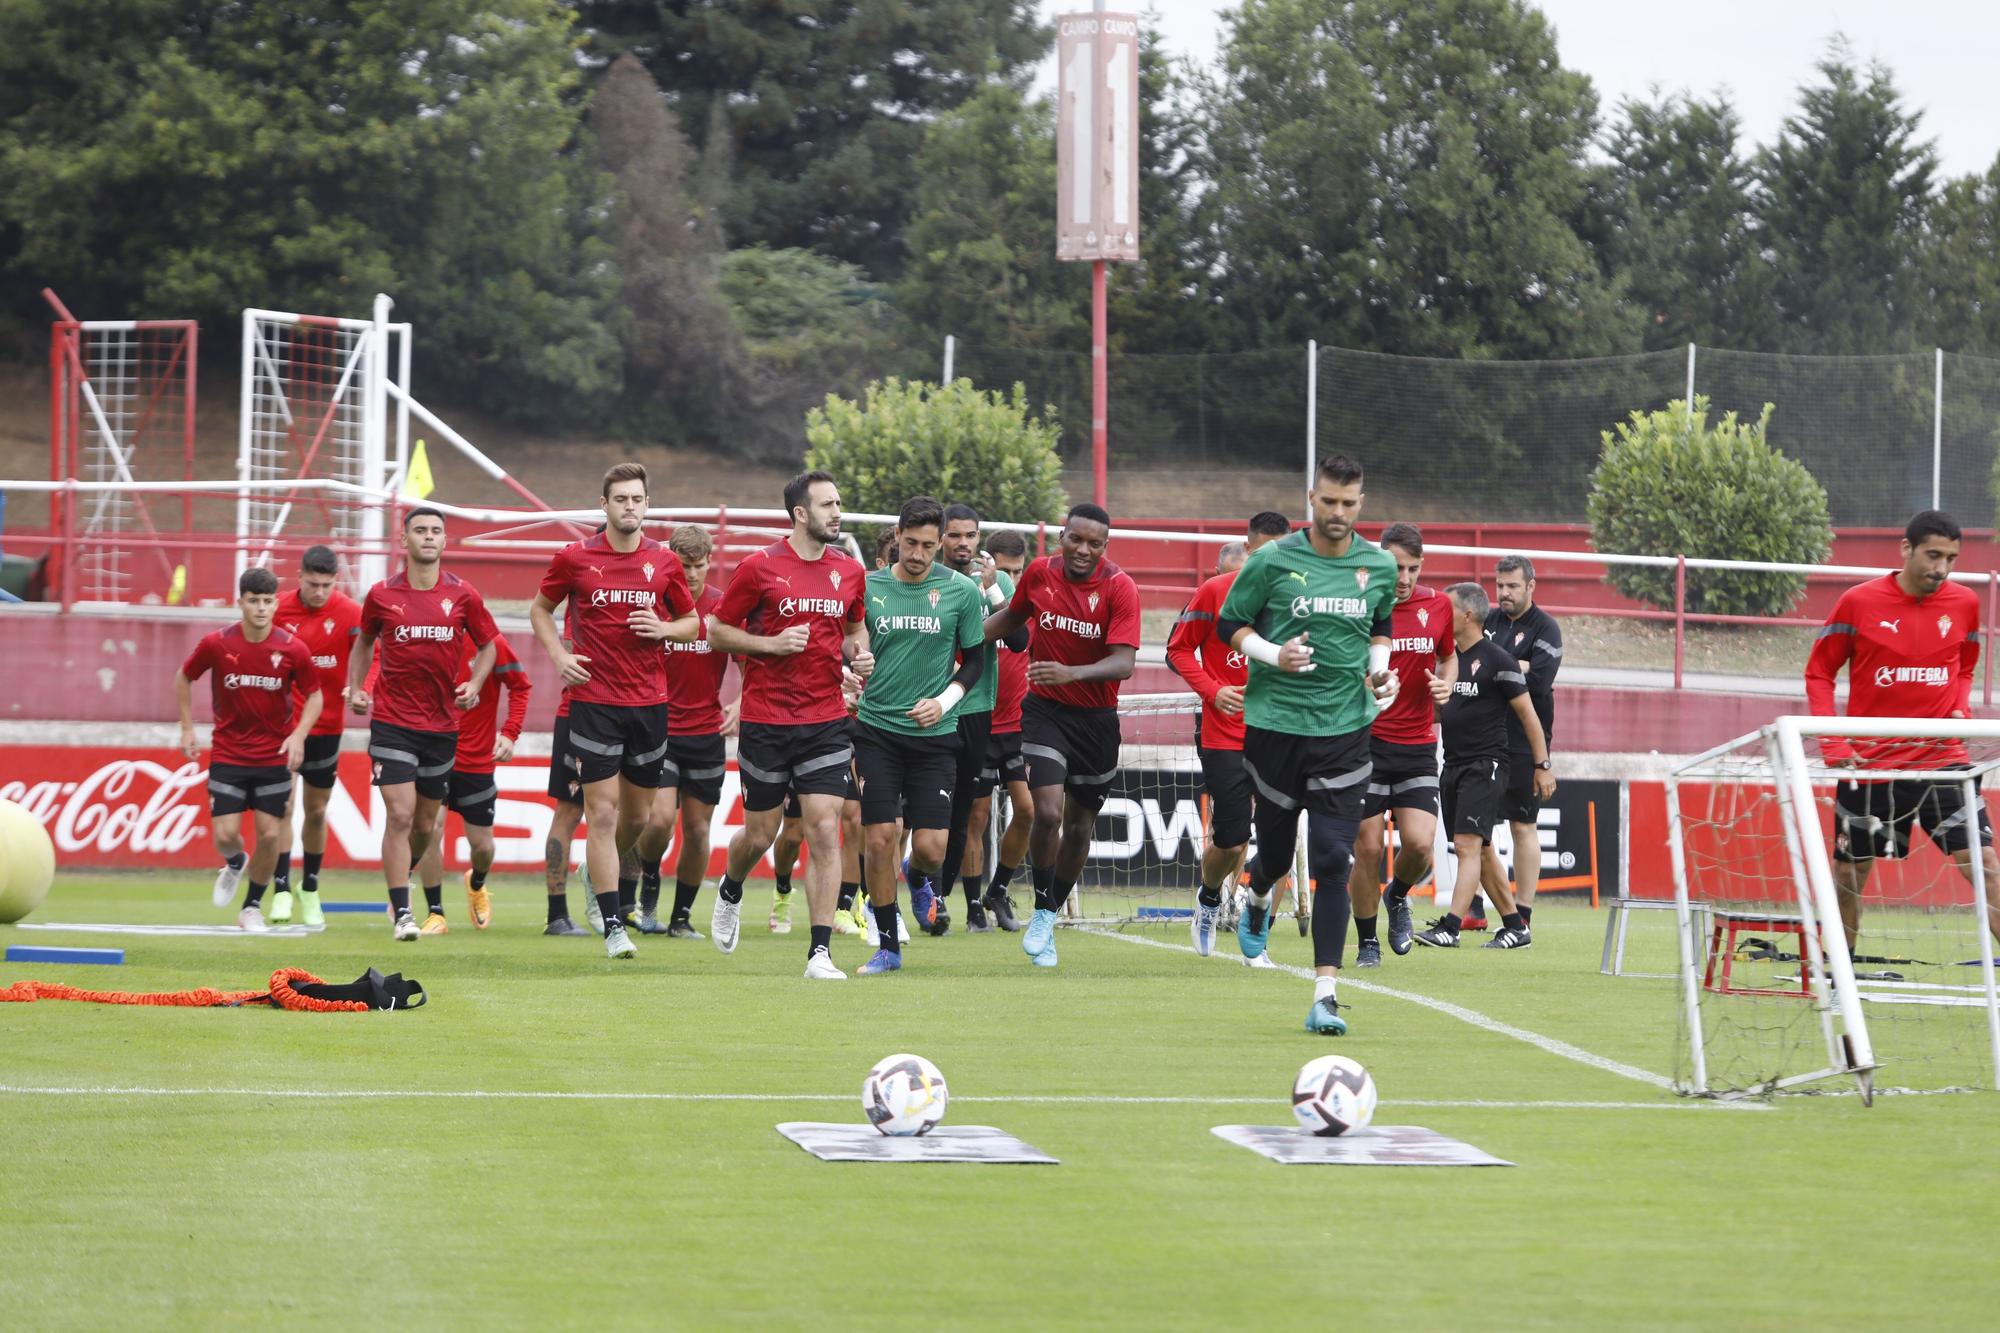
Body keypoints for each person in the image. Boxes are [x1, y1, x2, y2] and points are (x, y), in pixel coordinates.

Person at [1217, 456, 1398, 1034]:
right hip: (1275, 727)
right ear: (1311, 499)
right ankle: (1260, 891)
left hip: (1346, 730)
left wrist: (1381, 672)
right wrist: (1276, 655)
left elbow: (1379, 627)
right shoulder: (1271, 560)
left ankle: (1324, 994)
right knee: (1272, 852)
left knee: (1330, 859)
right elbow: (1231, 627)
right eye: (1329, 502)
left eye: (1349, 503)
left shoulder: (1378, 566)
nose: (1338, 513)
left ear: (1361, 504)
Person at [1806, 509, 2000, 952]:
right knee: (1849, 874)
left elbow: (1965, 664)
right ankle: (1840, 978)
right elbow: (1819, 673)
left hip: (1942, 762)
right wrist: (1833, 743)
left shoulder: (1965, 603)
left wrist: (1958, 706)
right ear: (1906, 549)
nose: (1941, 568)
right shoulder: (1858, 601)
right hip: (1872, 766)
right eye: (1933, 555)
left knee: (1987, 865)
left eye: (1951, 558)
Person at [530, 463, 700, 961]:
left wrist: (664, 629)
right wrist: (560, 658)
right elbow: (540, 609)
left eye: (637, 499)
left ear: (647, 505)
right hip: (593, 704)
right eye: (620, 499)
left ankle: (593, 871)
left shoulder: (664, 563)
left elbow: (691, 622)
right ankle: (612, 924)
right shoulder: (575, 558)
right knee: (600, 814)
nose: (629, 506)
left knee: (639, 816)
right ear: (604, 505)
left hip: (649, 704)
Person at [708, 470, 873, 979]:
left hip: (825, 719)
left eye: (839, 503)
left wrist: (860, 656)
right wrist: (769, 646)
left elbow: (855, 627)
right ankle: (731, 888)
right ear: (800, 513)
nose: (837, 512)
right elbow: (716, 631)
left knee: (825, 827)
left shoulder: (848, 570)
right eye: (827, 505)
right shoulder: (758, 568)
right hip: (766, 720)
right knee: (761, 833)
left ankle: (819, 953)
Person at [980, 503, 1140, 967]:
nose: (1084, 550)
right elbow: (1011, 619)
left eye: (1095, 544)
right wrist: (960, 642)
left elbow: (1124, 663)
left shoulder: (1119, 587)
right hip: (1045, 712)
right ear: (1062, 537)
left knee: (1080, 826)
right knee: (1046, 812)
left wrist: (1071, 672)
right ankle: (1044, 901)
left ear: (1105, 548)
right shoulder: (1038, 573)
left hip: (1097, 723)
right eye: (1076, 539)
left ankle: (1046, 913)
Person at [849, 496, 987, 974]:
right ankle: (888, 946)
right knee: (882, 836)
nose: (919, 553)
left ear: (942, 542)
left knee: (929, 848)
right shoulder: (868, 588)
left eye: (930, 545)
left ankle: (917, 877)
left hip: (936, 734)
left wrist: (944, 702)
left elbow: (976, 661)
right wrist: (854, 661)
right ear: (898, 536)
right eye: (911, 543)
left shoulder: (961, 592)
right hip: (877, 732)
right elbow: (849, 642)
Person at [349, 507, 499, 941]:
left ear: (445, 541)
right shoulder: (380, 595)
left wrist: (474, 682)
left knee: (424, 825)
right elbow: (363, 642)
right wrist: (357, 687)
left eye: (436, 531)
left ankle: (402, 880)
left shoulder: (464, 595)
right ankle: (403, 914)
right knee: (400, 813)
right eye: (420, 530)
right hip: (393, 722)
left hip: (442, 726)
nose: (429, 537)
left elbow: (489, 646)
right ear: (404, 540)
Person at [1169, 510, 1291, 955]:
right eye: (1264, 551)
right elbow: (1177, 650)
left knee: (1280, 840)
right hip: (1225, 735)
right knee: (1233, 837)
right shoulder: (1215, 590)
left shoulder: (1302, 595)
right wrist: (1212, 690)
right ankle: (1208, 896)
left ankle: (1258, 929)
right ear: (1249, 546)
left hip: (1283, 734)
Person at [175, 567, 321, 931]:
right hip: (228, 753)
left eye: (268, 601)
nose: (261, 608)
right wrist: (187, 728)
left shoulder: (292, 648)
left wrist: (300, 734)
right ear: (240, 602)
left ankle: (252, 906)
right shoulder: (217, 644)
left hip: (273, 757)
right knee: (225, 836)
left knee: (271, 835)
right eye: (253, 601)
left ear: (275, 604)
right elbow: (184, 677)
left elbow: (315, 694)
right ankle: (235, 861)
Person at [1413, 583, 1553, 950]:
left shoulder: (1498, 660)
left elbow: (1529, 716)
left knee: (1466, 846)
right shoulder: (1447, 660)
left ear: (1468, 615)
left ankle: (1452, 926)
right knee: (1483, 849)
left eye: (1448, 609)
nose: (1441, 615)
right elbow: (1445, 712)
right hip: (1454, 764)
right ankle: (1515, 925)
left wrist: (1543, 764)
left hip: (1486, 765)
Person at [1352, 523, 1455, 962]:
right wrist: (1364, 681)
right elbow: (1339, 663)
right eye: (1396, 567)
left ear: (1422, 566)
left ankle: (1398, 895)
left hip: (1416, 747)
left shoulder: (1439, 605)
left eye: (1412, 568)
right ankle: (1367, 941)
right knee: (1369, 849)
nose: (1404, 578)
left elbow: (1448, 656)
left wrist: (1446, 685)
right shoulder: (1359, 607)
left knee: (1418, 846)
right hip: (1365, 745)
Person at [633, 524, 737, 939]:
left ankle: (681, 918)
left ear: (710, 562)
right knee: (658, 821)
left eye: (698, 565)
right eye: (683, 565)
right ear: (670, 562)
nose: (691, 574)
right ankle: (650, 882)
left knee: (697, 831)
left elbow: (749, 661)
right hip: (659, 730)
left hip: (706, 734)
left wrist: (742, 705)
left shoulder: (723, 608)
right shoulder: (654, 606)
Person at [934, 502, 1030, 932]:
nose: (963, 543)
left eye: (970, 536)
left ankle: (981, 894)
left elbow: (1020, 639)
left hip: (992, 713)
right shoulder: (930, 582)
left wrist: (993, 590)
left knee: (1008, 813)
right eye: (955, 535)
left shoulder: (999, 583)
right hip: (946, 710)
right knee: (952, 815)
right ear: (941, 538)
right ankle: (948, 896)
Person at [411, 628, 531, 932]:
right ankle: (435, 912)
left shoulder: (492, 644)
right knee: (430, 828)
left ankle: (476, 884)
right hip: (434, 754)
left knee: (482, 846)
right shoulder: (426, 638)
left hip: (477, 762)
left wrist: (509, 733)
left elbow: (520, 686)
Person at [269, 544, 361, 928]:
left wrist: (359, 687)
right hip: (285, 728)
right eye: (312, 584)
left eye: (326, 585)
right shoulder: (277, 609)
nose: (319, 592)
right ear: (300, 577)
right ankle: (280, 890)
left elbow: (371, 653)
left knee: (317, 810)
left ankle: (310, 886)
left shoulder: (351, 613)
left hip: (328, 727)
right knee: (283, 808)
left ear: (334, 581)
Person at [1478, 554, 1563, 930]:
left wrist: (1500, 665)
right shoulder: (1488, 620)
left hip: (1527, 741)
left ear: (1531, 586)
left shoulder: (1546, 629)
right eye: (1499, 586)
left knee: (1522, 826)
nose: (1504, 593)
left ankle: (1522, 913)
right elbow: (1472, 665)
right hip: (1485, 737)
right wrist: (1517, 664)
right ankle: (1476, 909)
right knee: (1477, 829)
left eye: (1512, 586)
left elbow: (1540, 681)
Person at [964, 527, 1035, 931]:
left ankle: (998, 888)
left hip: (1017, 727)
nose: (1011, 577)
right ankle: (973, 904)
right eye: (1004, 569)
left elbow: (1026, 646)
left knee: (1028, 811)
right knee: (976, 817)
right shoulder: (971, 599)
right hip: (979, 722)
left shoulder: (1024, 606)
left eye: (1017, 570)